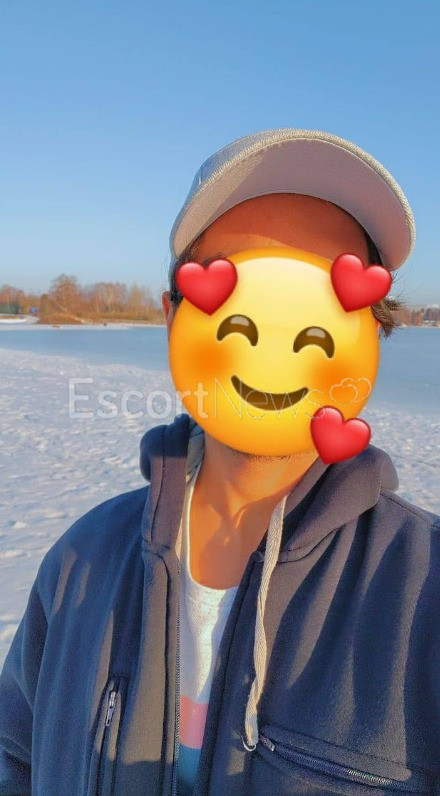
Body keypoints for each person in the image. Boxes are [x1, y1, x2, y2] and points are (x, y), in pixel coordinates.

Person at [1, 128, 439, 796]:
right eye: (241, 300)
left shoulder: (422, 593)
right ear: (174, 316)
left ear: (369, 334)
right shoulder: (79, 564)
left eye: (321, 308)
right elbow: (14, 755)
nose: (276, 344)